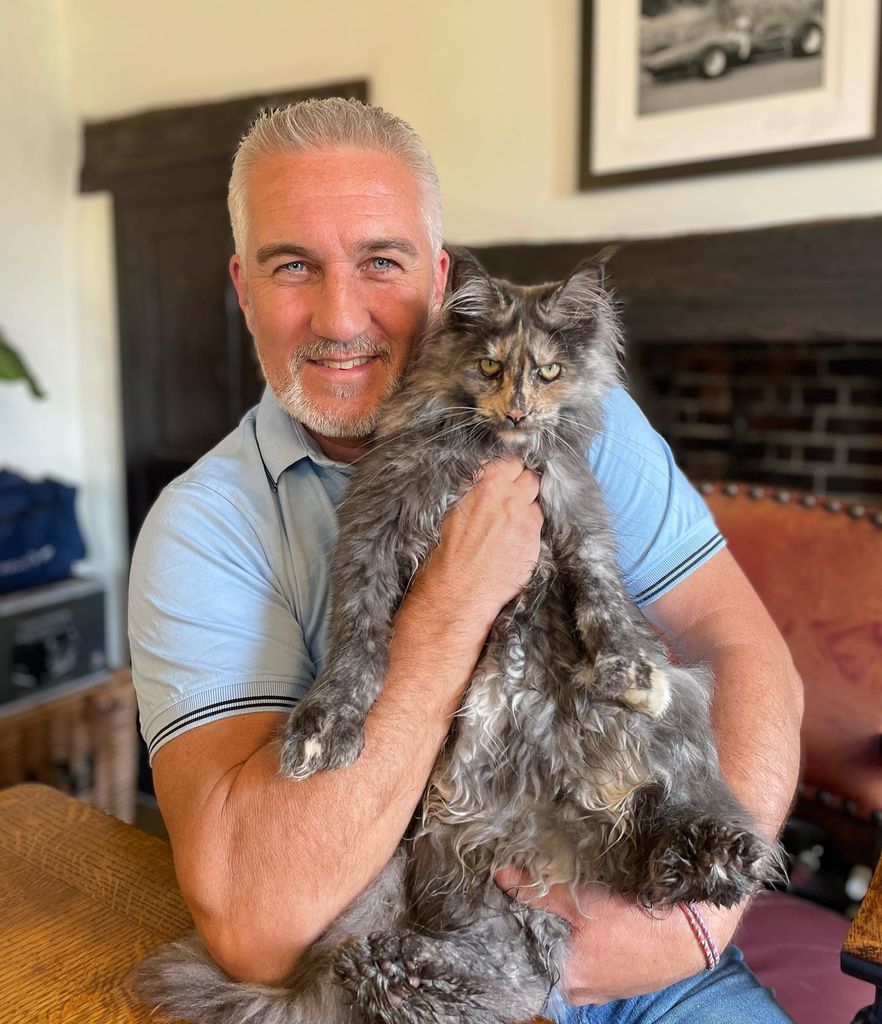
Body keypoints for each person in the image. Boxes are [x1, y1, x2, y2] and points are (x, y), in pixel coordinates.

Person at [129, 98, 802, 1023]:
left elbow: (743, 645)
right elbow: (254, 920)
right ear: (243, 287)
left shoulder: (576, 418)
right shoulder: (200, 530)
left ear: (440, 279)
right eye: (294, 267)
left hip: (650, 933)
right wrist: (455, 598)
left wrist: (692, 931)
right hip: (419, 969)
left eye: (381, 261)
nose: (341, 316)